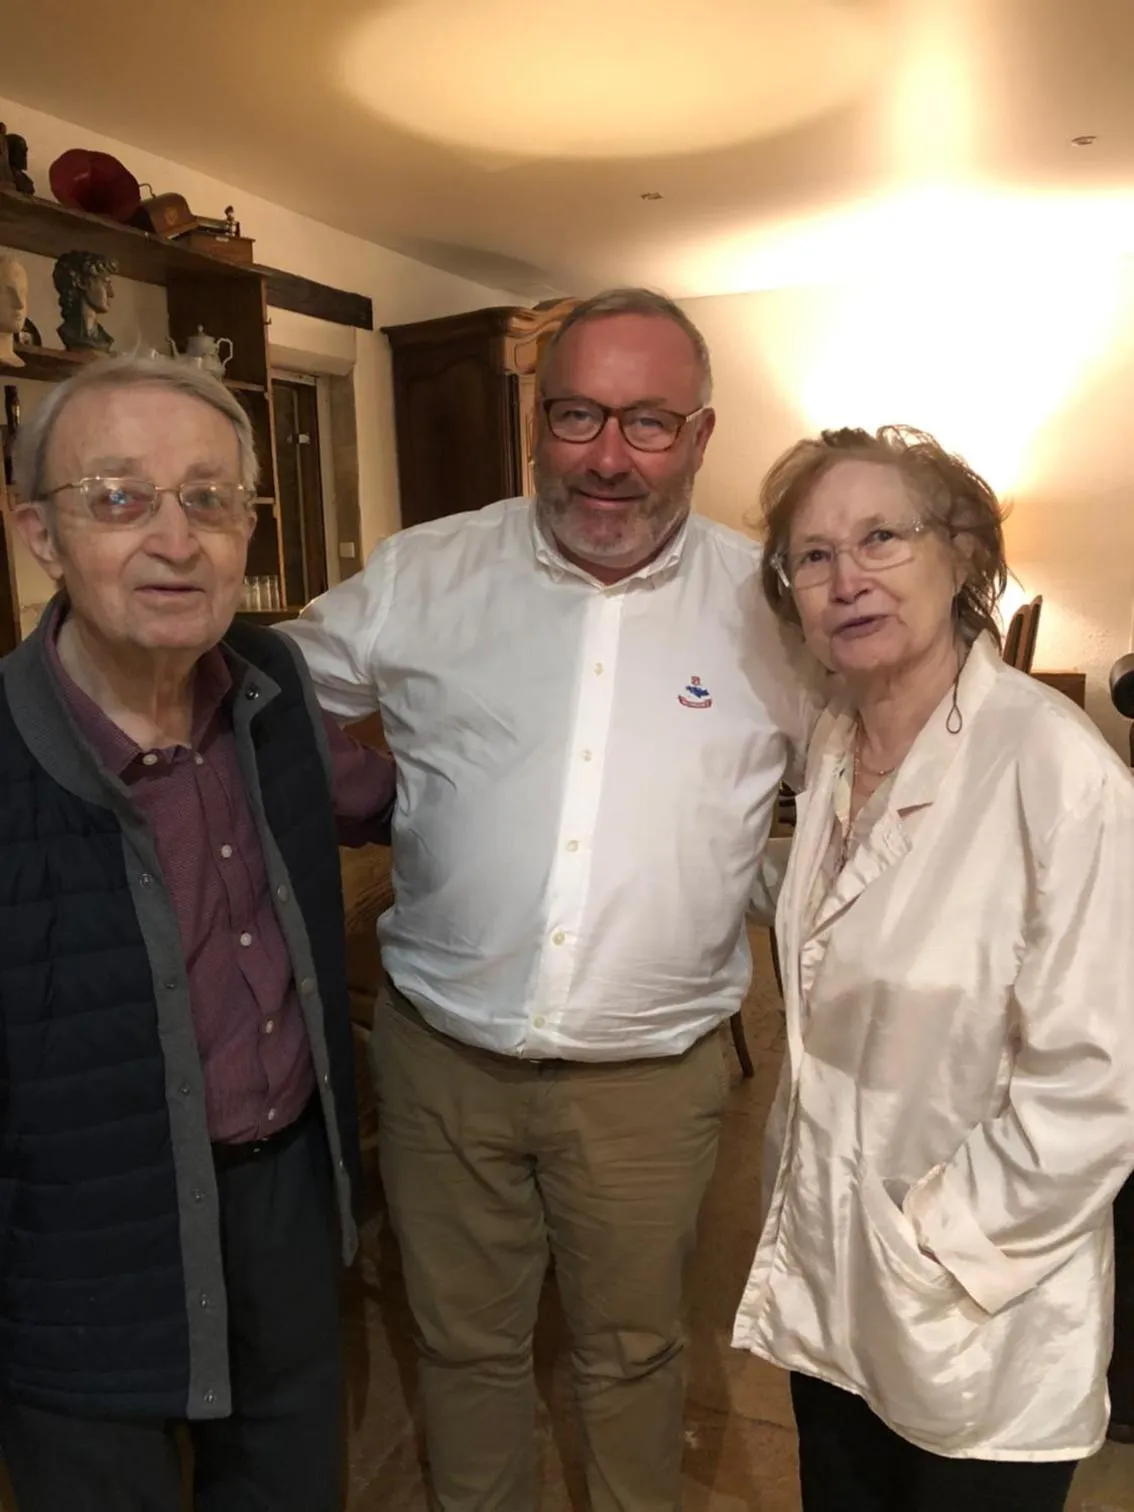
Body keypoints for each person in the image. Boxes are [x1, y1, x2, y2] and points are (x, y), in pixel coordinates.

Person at [280, 288, 817, 1511]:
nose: (609, 458)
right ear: (537, 417)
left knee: (630, 1358)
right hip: (441, 1063)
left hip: (648, 1083)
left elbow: (859, 793)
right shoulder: (428, 571)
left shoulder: (770, 607)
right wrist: (360, 788)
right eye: (578, 415)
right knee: (464, 1353)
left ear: (701, 432)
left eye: (647, 421)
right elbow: (267, 689)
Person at [0, 356, 396, 1512]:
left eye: (210, 497)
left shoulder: (271, 686)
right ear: (41, 533)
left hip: (282, 1209)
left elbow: (391, 799)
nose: (175, 540)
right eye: (118, 497)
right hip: (80, 1248)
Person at [732, 424, 1134, 1511]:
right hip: (834, 1291)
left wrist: (935, 1247)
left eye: (880, 537)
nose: (845, 578)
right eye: (812, 556)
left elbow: (1099, 1089)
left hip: (976, 1314)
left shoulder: (1055, 771)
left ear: (961, 553)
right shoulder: (834, 742)